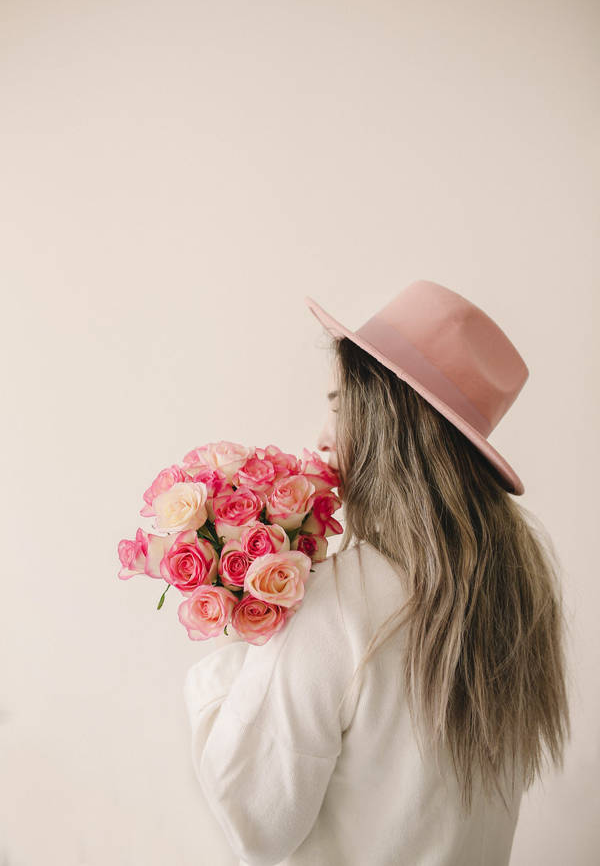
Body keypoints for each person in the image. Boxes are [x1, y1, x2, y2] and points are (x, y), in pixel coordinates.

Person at [183, 280, 571, 866]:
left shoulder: (339, 599)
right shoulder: (517, 585)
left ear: (389, 420)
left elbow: (256, 821)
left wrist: (235, 659)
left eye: (339, 406)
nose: (321, 435)